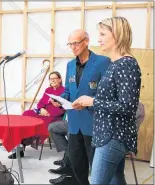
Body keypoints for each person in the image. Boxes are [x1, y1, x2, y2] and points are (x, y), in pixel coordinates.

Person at [72, 17, 141, 185]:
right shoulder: (115, 64)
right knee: (116, 180)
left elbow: (128, 107)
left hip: (113, 136)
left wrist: (93, 102)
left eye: (103, 34)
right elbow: (111, 100)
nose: (98, 39)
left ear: (117, 35)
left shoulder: (126, 64)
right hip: (107, 134)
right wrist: (89, 103)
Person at [50, 29, 111, 185]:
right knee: (77, 163)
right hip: (74, 124)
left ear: (86, 41)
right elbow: (69, 91)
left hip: (94, 123)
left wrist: (89, 101)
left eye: (76, 43)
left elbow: (108, 94)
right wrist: (61, 99)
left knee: (95, 165)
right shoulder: (70, 65)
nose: (73, 47)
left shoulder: (103, 62)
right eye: (70, 44)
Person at [8, 71, 65, 159]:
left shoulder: (64, 91)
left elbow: (64, 108)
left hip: (54, 116)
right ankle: (20, 148)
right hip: (43, 112)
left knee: (38, 123)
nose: (52, 80)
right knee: (26, 114)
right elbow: (41, 103)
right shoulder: (48, 90)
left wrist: (49, 113)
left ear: (60, 79)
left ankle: (23, 145)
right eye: (51, 79)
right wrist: (42, 109)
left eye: (55, 78)